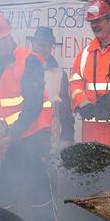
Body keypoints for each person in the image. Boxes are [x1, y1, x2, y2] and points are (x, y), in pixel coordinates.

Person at [0, 13, 54, 221]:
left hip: (32, 137)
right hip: (4, 139)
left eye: (3, 39)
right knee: (6, 194)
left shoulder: (28, 60)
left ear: (10, 36)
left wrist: (11, 135)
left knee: (38, 195)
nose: (0, 45)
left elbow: (33, 105)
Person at [63, 0, 110, 221]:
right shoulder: (84, 54)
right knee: (93, 196)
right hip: (91, 138)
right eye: (92, 23)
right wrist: (82, 104)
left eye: (99, 21)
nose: (95, 26)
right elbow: (74, 82)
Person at [27, 26, 75, 154]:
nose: (46, 50)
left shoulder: (60, 74)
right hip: (23, 136)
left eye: (49, 46)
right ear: (33, 44)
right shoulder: (20, 68)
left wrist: (67, 137)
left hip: (48, 139)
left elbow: (65, 109)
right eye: (42, 45)